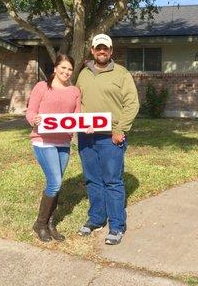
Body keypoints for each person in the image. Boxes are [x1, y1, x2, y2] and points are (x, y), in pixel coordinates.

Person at [76, 34, 140, 245]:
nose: (101, 52)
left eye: (105, 48)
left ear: (111, 51)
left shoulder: (121, 74)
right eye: (98, 48)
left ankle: (116, 226)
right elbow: (78, 102)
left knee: (112, 181)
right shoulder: (84, 74)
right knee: (92, 179)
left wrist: (120, 129)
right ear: (92, 51)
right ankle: (96, 218)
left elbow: (132, 104)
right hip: (87, 136)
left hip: (111, 136)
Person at [25, 53, 80, 242]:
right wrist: (34, 119)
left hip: (63, 142)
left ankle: (50, 223)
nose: (66, 72)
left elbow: (77, 116)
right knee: (55, 182)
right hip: (43, 140)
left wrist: (86, 125)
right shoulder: (42, 87)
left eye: (70, 69)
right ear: (55, 68)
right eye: (63, 68)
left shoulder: (74, 91)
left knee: (55, 184)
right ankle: (40, 224)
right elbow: (31, 110)